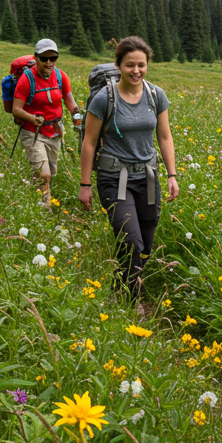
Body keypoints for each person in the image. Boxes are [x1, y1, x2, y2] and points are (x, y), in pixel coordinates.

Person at [77, 36, 179, 298]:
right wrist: (85, 184)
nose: (136, 71)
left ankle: (122, 283)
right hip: (115, 177)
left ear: (147, 65)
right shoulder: (103, 99)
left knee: (145, 243)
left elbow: (164, 137)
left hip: (148, 176)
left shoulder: (156, 95)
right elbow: (89, 143)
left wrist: (172, 174)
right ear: (118, 65)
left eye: (141, 65)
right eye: (130, 65)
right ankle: (129, 299)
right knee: (131, 240)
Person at [10, 38, 80, 206]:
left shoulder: (60, 76)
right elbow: (16, 109)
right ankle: (44, 208)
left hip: (54, 131)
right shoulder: (27, 79)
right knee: (44, 174)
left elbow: (69, 100)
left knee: (51, 172)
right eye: (44, 58)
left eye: (53, 58)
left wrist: (77, 117)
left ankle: (35, 194)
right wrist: (32, 118)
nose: (49, 62)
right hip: (32, 132)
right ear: (36, 58)